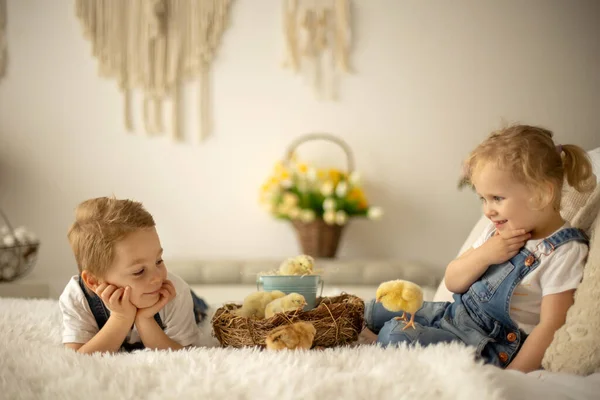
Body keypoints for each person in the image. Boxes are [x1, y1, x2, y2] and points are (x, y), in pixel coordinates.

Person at [365, 124, 596, 372]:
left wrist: (513, 375)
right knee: (374, 310)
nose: (488, 210)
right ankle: (362, 331)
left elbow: (551, 325)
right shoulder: (494, 230)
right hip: (453, 315)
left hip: (485, 344)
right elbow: (454, 281)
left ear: (541, 194)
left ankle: (379, 344)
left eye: (497, 198)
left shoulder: (564, 251)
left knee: (397, 334)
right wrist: (485, 255)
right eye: (483, 199)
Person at [59, 196, 208, 354]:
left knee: (201, 310)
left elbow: (185, 354)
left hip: (193, 306)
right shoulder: (77, 297)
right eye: (139, 271)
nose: (158, 276)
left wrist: (145, 320)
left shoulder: (174, 291)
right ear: (94, 281)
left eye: (159, 261)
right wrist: (120, 318)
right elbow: (77, 357)